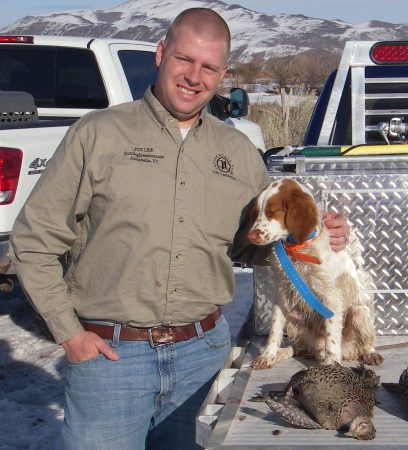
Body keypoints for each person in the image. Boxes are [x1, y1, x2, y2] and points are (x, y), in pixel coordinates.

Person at [9, 8, 350, 450]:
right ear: (160, 53)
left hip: (202, 354)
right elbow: (33, 243)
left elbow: (252, 248)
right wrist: (70, 334)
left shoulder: (239, 152)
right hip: (111, 360)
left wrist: (316, 236)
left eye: (208, 67)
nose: (194, 76)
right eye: (184, 60)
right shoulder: (98, 135)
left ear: (223, 73)